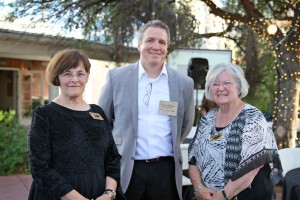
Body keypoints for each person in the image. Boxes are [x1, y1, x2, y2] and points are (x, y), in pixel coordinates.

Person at [98, 20, 195, 200]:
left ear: (167, 47)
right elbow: (102, 121)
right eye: (150, 40)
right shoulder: (116, 77)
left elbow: (186, 124)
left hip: (166, 172)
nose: (156, 47)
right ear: (139, 44)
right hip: (126, 168)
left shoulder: (184, 83)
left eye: (162, 42)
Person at [28, 49, 124, 200]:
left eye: (80, 74)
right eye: (67, 74)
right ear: (57, 77)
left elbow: (112, 157)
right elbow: (40, 167)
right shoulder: (44, 115)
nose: (75, 79)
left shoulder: (97, 112)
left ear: (86, 77)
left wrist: (109, 193)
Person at [188, 63, 282, 200]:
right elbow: (192, 160)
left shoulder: (253, 118)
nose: (221, 88)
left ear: (239, 87)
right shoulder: (207, 119)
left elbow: (252, 168)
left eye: (227, 83)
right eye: (215, 84)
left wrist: (223, 195)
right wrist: (199, 189)